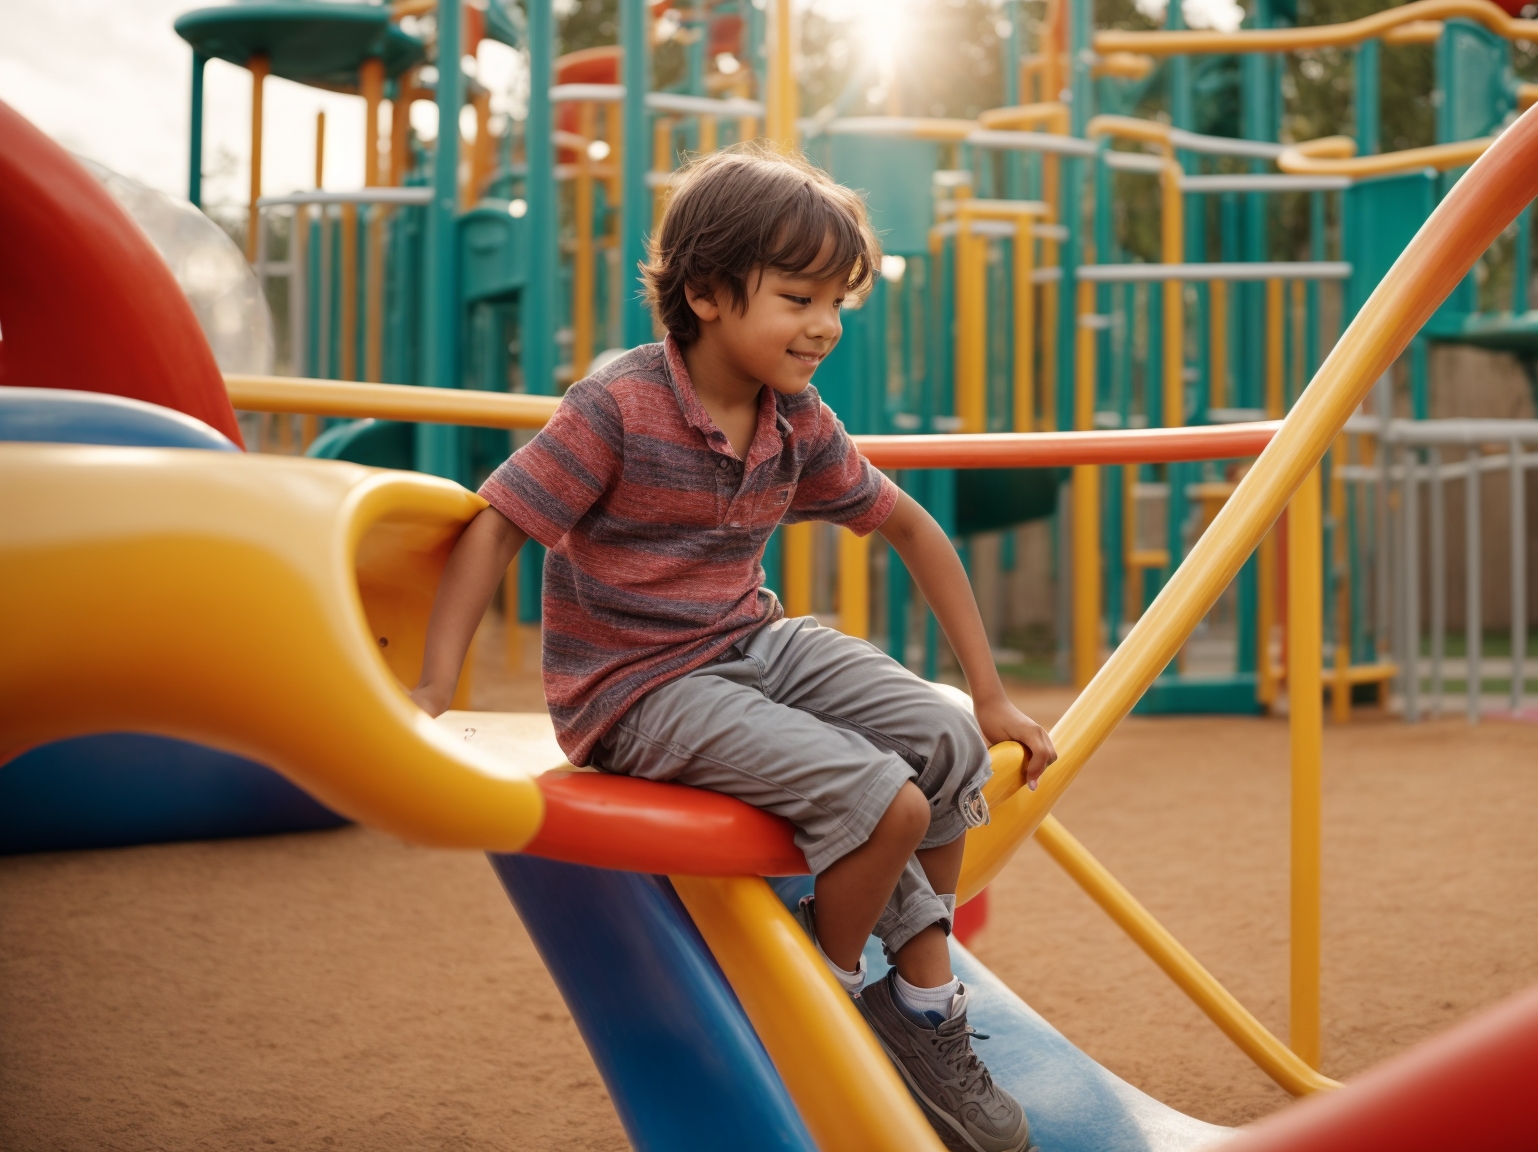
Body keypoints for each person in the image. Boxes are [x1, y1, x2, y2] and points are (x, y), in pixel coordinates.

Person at [407, 141, 1054, 1152]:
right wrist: (434, 685)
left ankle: (921, 1011)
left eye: (838, 302)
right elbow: (500, 521)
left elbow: (913, 529)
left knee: (944, 742)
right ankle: (821, 1013)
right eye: (799, 298)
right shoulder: (617, 407)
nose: (827, 327)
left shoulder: (794, 422)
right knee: (879, 800)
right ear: (707, 293)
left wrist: (992, 696)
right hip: (632, 690)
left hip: (748, 642)